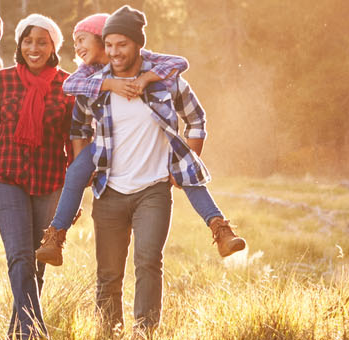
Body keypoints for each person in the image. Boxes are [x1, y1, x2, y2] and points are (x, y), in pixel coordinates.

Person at [67, 5, 239, 334]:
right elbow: (78, 128)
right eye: (110, 45)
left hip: (154, 189)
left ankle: (144, 331)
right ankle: (109, 331)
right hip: (109, 190)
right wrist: (84, 163)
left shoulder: (166, 82)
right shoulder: (96, 85)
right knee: (108, 273)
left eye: (123, 45)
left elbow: (197, 120)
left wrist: (184, 163)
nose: (116, 52)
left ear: (138, 45)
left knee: (148, 262)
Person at [33, 13, 246, 266]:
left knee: (186, 170)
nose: (77, 47)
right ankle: (55, 236)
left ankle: (220, 228)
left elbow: (178, 63)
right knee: (76, 172)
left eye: (82, 39)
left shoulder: (146, 63)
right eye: (75, 41)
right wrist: (110, 84)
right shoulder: (88, 72)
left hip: (152, 154)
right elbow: (71, 90)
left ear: (104, 39)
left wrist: (146, 78)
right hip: (102, 147)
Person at [0, 13, 74, 338]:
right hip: (6, 179)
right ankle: (35, 333)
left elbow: (72, 142)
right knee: (19, 256)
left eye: (41, 42)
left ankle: (17, 333)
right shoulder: (4, 80)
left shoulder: (67, 84)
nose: (33, 47)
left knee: (36, 262)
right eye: (28, 40)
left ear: (53, 47)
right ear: (20, 44)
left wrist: (72, 196)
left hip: (49, 182)